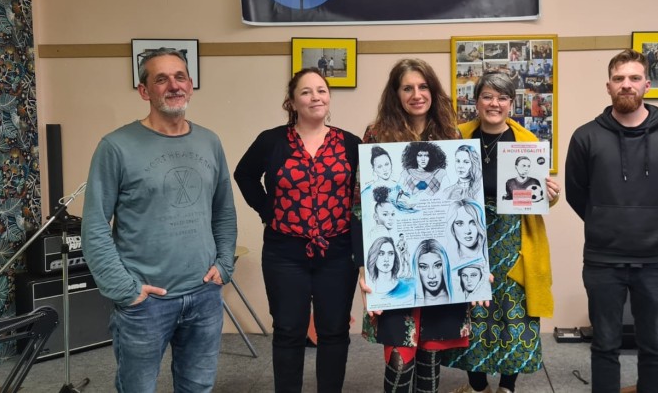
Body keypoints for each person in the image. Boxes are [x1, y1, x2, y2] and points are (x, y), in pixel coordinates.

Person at [81, 47, 237, 393]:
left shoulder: (209, 142)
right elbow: (94, 226)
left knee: (198, 387)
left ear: (190, 85)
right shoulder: (116, 147)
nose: (173, 85)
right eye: (161, 79)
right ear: (144, 91)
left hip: (204, 295)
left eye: (180, 77)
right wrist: (126, 290)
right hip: (145, 303)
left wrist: (225, 265)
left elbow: (223, 211)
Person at [564, 49, 658, 393]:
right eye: (619, 78)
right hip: (602, 259)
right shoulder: (585, 137)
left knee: (655, 346)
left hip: (655, 260)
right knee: (604, 345)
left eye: (634, 78)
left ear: (647, 85)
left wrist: (656, 221)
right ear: (608, 86)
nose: (626, 85)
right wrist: (603, 221)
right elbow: (577, 194)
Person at [233, 67, 361, 393]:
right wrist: (267, 210)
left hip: (337, 252)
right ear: (291, 102)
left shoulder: (350, 143)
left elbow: (364, 194)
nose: (315, 97)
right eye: (306, 92)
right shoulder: (271, 141)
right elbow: (244, 175)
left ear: (329, 97)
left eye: (321, 90)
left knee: (334, 331)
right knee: (289, 330)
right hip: (284, 253)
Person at [444, 71, 560, 393]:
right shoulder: (456, 137)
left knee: (514, 313)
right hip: (467, 233)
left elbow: (538, 197)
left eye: (502, 97)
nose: (494, 103)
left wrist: (551, 195)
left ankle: (508, 387)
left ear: (511, 103)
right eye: (487, 96)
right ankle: (478, 386)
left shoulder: (528, 143)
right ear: (476, 101)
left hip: (514, 239)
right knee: (472, 310)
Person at [358, 58, 467, 393]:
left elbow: (462, 200)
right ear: (396, 94)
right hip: (395, 258)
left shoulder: (450, 134)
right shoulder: (377, 134)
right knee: (399, 352)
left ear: (433, 91)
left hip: (437, 258)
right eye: (407, 88)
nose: (416, 94)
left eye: (423, 87)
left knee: (431, 350)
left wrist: (471, 261)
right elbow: (360, 206)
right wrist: (363, 266)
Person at [446, 199, 487, 266]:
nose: (467, 231)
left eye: (473, 223)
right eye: (459, 224)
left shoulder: (488, 255)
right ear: (452, 228)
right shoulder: (449, 261)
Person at [413, 239, 452, 305]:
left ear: (445, 266)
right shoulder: (409, 302)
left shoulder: (460, 298)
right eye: (424, 267)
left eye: (437, 265)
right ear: (417, 270)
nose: (432, 276)